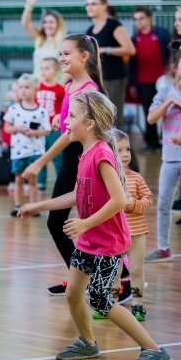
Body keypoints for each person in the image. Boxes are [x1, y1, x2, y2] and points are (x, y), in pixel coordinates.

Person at [19, 91, 172, 360]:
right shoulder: (85, 153)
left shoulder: (102, 153)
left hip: (108, 243)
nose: (66, 120)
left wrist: (85, 224)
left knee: (101, 300)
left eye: (72, 116)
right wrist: (38, 205)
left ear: (89, 124)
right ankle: (88, 343)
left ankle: (154, 350)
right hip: (89, 241)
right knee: (73, 294)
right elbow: (77, 195)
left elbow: (118, 200)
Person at [22, 34, 107, 295]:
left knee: (85, 225)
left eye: (67, 53)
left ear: (85, 56)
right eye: (60, 53)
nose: (62, 58)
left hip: (83, 159)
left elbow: (71, 135)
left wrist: (39, 162)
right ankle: (80, 278)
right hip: (72, 159)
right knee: (59, 223)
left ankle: (118, 278)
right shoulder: (70, 86)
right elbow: (67, 126)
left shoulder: (89, 90)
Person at [144, 47, 181, 263]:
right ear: (174, 67)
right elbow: (151, 119)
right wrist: (169, 102)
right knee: (163, 204)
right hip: (170, 157)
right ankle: (163, 248)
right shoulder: (165, 92)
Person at [90, 130, 151, 321]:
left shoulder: (136, 178)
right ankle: (112, 306)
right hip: (114, 234)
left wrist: (135, 205)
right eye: (119, 150)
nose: (125, 154)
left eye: (128, 149)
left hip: (137, 232)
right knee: (114, 271)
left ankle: (138, 305)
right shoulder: (105, 179)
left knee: (136, 270)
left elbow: (148, 199)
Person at [84, 0, 136, 130]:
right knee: (100, 116)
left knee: (113, 116)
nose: (89, 7)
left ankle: (119, 149)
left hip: (114, 77)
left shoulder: (113, 25)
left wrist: (105, 49)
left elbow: (130, 49)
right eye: (87, 4)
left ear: (104, 6)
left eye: (93, 4)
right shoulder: (90, 30)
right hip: (98, 78)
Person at [4, 74, 50, 215]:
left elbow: (47, 130)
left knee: (32, 180)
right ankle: (18, 205)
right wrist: (18, 129)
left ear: (35, 90)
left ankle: (33, 206)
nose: (23, 90)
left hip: (35, 151)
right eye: (21, 87)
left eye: (27, 87)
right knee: (18, 179)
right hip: (18, 151)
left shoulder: (41, 111)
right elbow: (7, 128)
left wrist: (34, 132)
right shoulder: (14, 109)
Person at [129, 6, 171, 152]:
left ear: (149, 18)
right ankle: (151, 143)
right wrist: (133, 84)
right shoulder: (133, 39)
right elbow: (131, 65)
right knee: (149, 112)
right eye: (135, 19)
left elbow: (173, 51)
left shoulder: (162, 34)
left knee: (169, 111)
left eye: (141, 18)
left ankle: (168, 141)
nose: (138, 22)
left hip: (164, 80)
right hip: (143, 82)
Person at [21, 0, 66, 77]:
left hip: (55, 85)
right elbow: (25, 24)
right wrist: (29, 5)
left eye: (51, 22)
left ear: (58, 24)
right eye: (45, 22)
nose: (47, 25)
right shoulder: (40, 38)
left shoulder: (64, 42)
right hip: (38, 83)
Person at [36, 57, 65, 192]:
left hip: (53, 129)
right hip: (39, 129)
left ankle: (62, 181)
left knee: (57, 155)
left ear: (56, 70)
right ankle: (40, 182)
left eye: (47, 68)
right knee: (40, 154)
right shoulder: (37, 87)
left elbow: (64, 108)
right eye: (42, 68)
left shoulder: (60, 89)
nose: (43, 71)